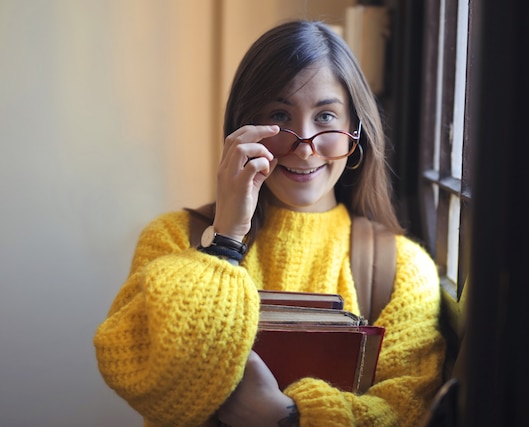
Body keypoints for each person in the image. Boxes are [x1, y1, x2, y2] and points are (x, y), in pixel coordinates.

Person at [94, 20, 445, 427]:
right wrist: (225, 239)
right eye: (280, 116)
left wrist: (287, 417)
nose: (304, 146)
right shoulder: (173, 238)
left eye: (326, 116)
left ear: (356, 136)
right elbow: (147, 380)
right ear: (244, 130)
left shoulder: (402, 268)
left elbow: (405, 410)